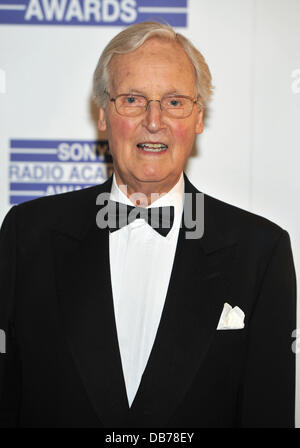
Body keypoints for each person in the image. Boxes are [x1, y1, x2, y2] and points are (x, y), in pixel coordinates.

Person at [0, 21, 296, 428]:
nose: (153, 121)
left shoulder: (261, 252)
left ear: (198, 118)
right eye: (133, 99)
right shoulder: (25, 235)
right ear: (103, 114)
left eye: (174, 102)